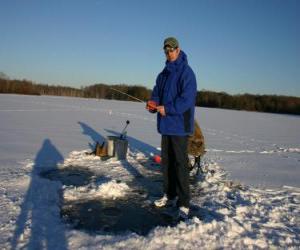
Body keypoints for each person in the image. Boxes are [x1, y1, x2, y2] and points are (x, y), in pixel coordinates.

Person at [146, 37, 197, 219]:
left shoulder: (187, 73)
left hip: (180, 127)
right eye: (166, 51)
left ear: (178, 49)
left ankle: (184, 203)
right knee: (167, 164)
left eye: (172, 50)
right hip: (166, 126)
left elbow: (187, 100)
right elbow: (156, 93)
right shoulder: (163, 74)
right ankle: (169, 195)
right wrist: (153, 104)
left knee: (180, 164)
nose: (169, 53)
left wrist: (167, 108)